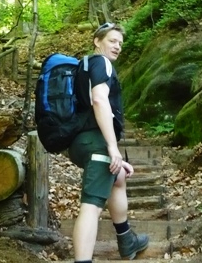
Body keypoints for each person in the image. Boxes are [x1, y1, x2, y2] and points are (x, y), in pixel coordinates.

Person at [68, 22, 149, 262]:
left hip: (81, 142)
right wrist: (113, 149)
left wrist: (116, 157)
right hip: (95, 143)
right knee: (91, 206)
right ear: (97, 41)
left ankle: (127, 240)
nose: (118, 47)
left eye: (120, 43)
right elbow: (100, 101)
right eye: (113, 41)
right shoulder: (101, 62)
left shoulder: (83, 67)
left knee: (118, 177)